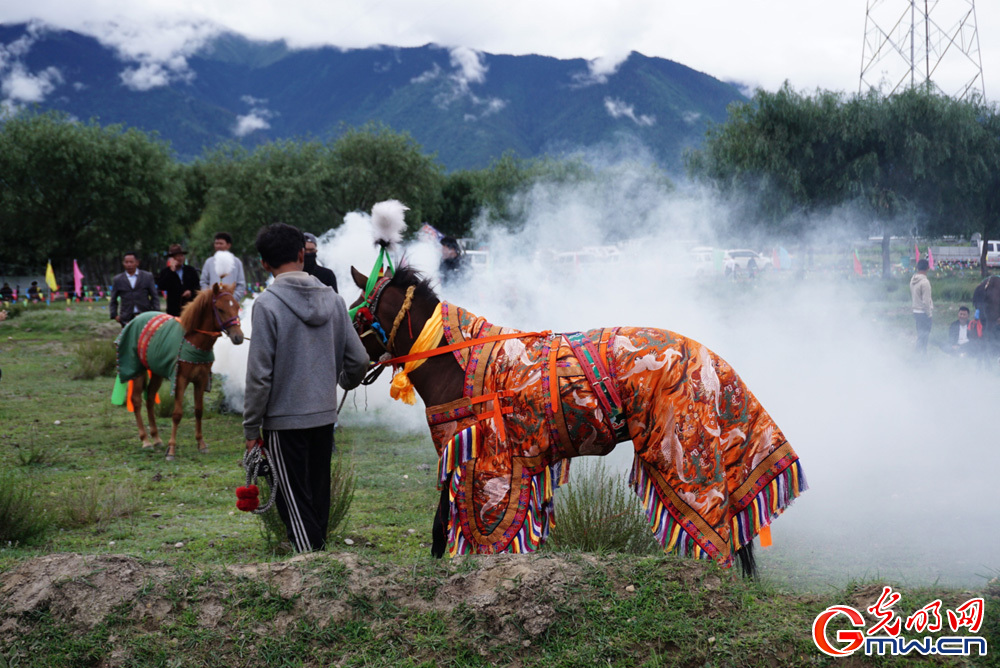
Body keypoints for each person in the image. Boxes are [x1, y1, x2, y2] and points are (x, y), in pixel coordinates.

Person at [243, 222, 367, 553]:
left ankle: (311, 571)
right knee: (317, 497)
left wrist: (251, 428)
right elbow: (358, 361)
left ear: (264, 264)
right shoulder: (336, 301)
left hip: (284, 423)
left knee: (294, 504)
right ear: (302, 254)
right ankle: (321, 570)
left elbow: (259, 376)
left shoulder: (267, 305)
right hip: (324, 418)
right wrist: (342, 382)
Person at [110, 252, 159, 327]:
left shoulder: (147, 276)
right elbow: (113, 299)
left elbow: (154, 296)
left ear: (137, 263)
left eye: (131, 262)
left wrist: (156, 312)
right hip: (126, 317)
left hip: (145, 315)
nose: (129, 264)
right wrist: (115, 315)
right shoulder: (118, 279)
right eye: (126, 262)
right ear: (123, 263)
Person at [157, 244, 201, 317]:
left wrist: (190, 292)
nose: (180, 258)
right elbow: (162, 286)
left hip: (189, 307)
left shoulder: (190, 270)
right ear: (171, 258)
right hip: (173, 309)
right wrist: (171, 271)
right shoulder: (165, 272)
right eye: (177, 256)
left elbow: (197, 287)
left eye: (181, 256)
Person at [200, 232, 246, 302]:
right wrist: (210, 296)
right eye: (216, 243)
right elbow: (203, 282)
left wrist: (233, 298)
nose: (218, 246)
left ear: (228, 245)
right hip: (212, 303)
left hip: (231, 304)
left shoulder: (237, 262)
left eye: (221, 243)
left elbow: (241, 284)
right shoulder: (209, 262)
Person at [909, 259, 933, 354]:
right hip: (923, 313)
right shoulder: (925, 282)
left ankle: (919, 354)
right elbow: (926, 301)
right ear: (928, 268)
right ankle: (921, 354)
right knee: (924, 336)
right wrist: (929, 314)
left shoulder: (912, 280)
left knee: (920, 334)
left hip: (916, 311)